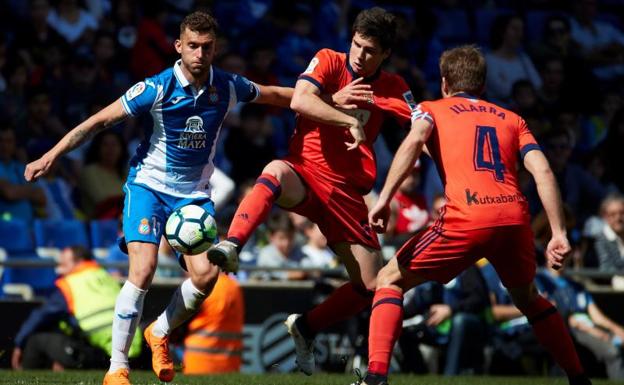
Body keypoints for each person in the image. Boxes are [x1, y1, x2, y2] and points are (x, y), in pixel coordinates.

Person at [24, 11, 293, 385]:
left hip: (192, 197)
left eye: (208, 47)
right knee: (143, 268)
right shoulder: (156, 88)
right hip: (148, 187)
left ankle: (160, 330)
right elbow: (98, 121)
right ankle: (117, 367)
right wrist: (51, 154)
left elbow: (277, 95)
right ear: (179, 47)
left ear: (216, 49)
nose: (200, 53)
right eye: (193, 46)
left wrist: (327, 97)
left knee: (207, 275)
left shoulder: (227, 86)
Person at [359, 45, 591, 385]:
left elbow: (413, 142)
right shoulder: (513, 119)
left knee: (389, 280)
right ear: (483, 86)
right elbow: (542, 171)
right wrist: (558, 232)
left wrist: (384, 198)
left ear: (444, 83)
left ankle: (376, 377)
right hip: (513, 218)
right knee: (528, 299)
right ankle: (579, 378)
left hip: (466, 215)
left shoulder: (431, 109)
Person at [207, 7, 416, 375]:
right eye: (356, 44)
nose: (359, 55)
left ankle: (306, 327)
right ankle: (233, 245)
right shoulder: (329, 60)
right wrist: (345, 114)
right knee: (273, 170)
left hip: (348, 195)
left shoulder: (394, 87)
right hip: (305, 172)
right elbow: (300, 100)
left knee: (371, 285)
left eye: (370, 50)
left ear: (385, 54)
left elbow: (421, 125)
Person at [11, 246, 142, 370]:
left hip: (101, 356)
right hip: (133, 351)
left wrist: (18, 343)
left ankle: (22, 374)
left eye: (63, 263)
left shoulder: (70, 284)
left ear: (79, 262)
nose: (58, 268)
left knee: (36, 340)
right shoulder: (107, 277)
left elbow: (40, 317)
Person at [537, 258, 624, 379]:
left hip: (587, 327)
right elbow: (568, 319)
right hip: (569, 330)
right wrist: (595, 332)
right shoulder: (541, 281)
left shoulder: (576, 286)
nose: (561, 257)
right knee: (612, 351)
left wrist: (618, 330)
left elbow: (597, 317)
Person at [182, 272, 244, 374]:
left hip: (198, 364)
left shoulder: (200, 286)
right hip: (230, 365)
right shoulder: (234, 286)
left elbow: (178, 323)